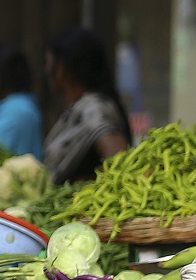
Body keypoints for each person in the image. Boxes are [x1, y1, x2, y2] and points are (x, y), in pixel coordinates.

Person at [42, 27, 130, 184]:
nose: (46, 69)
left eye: (48, 61)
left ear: (61, 68)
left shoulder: (94, 109)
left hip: (78, 206)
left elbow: (121, 161)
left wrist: (94, 184)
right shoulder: (82, 107)